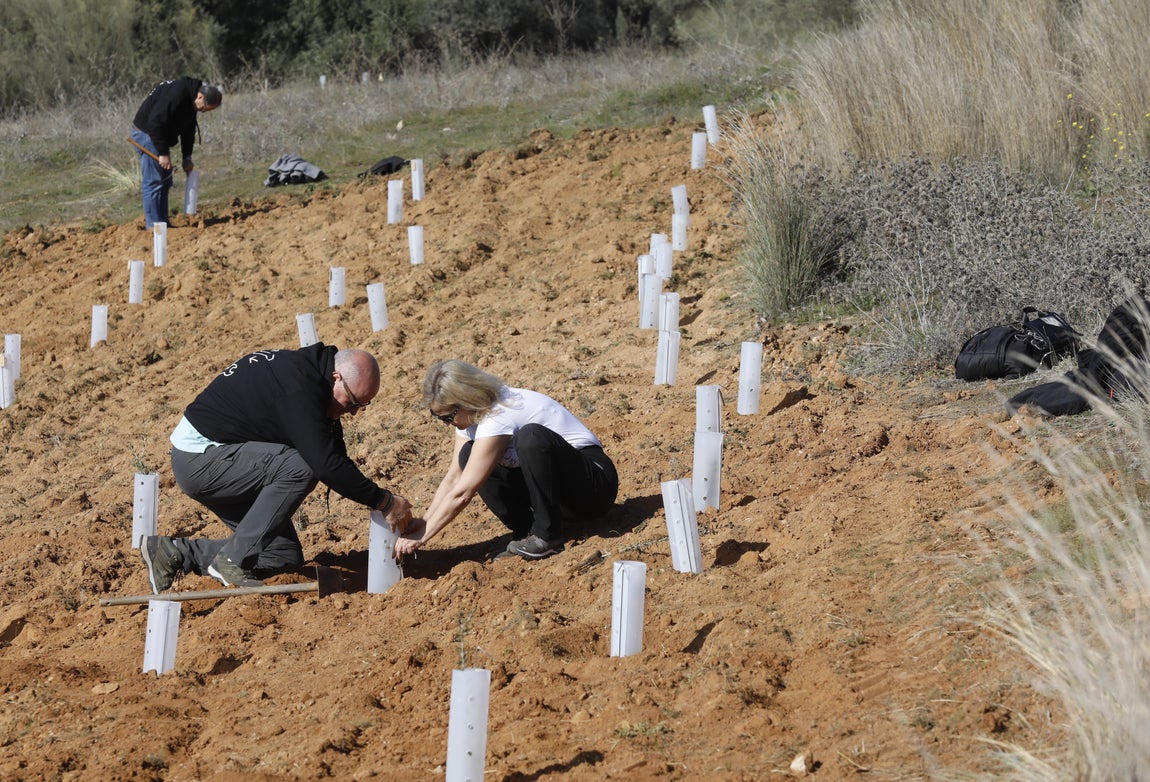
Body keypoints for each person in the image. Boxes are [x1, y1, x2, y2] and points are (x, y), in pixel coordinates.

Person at [140, 344, 412, 593]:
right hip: (201, 460)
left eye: (361, 406)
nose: (353, 412)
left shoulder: (314, 380)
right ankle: (231, 560)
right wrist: (383, 501)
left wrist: (383, 501)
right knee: (302, 465)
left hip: (225, 458)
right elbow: (324, 465)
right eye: (353, 403)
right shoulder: (299, 387)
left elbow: (333, 454)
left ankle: (177, 552)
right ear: (336, 378)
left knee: (280, 555)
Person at [396, 360, 618, 561]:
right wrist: (424, 521)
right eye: (437, 417)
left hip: (593, 488)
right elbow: (454, 478)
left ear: (465, 402)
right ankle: (527, 533)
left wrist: (423, 537)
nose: (445, 423)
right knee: (468, 456)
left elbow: (464, 492)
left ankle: (546, 536)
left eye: (446, 417)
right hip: (560, 495)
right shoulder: (469, 418)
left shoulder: (498, 414)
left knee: (531, 437)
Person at [129, 77, 222, 228]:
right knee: (154, 181)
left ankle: (163, 224)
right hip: (146, 134)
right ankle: (154, 227)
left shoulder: (191, 100)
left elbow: (188, 130)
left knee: (165, 182)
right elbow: (155, 122)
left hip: (158, 136)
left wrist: (187, 157)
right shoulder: (177, 94)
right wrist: (163, 153)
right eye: (203, 108)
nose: (202, 112)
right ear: (200, 97)